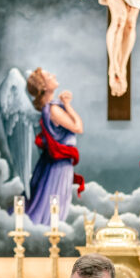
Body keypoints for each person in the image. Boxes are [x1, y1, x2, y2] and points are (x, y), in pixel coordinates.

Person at [24, 67, 84, 225]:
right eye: (49, 75)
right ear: (43, 87)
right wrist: (68, 105)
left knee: (49, 204)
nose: (54, 75)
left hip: (53, 164)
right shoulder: (54, 109)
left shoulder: (47, 108)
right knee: (55, 205)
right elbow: (78, 127)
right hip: (59, 166)